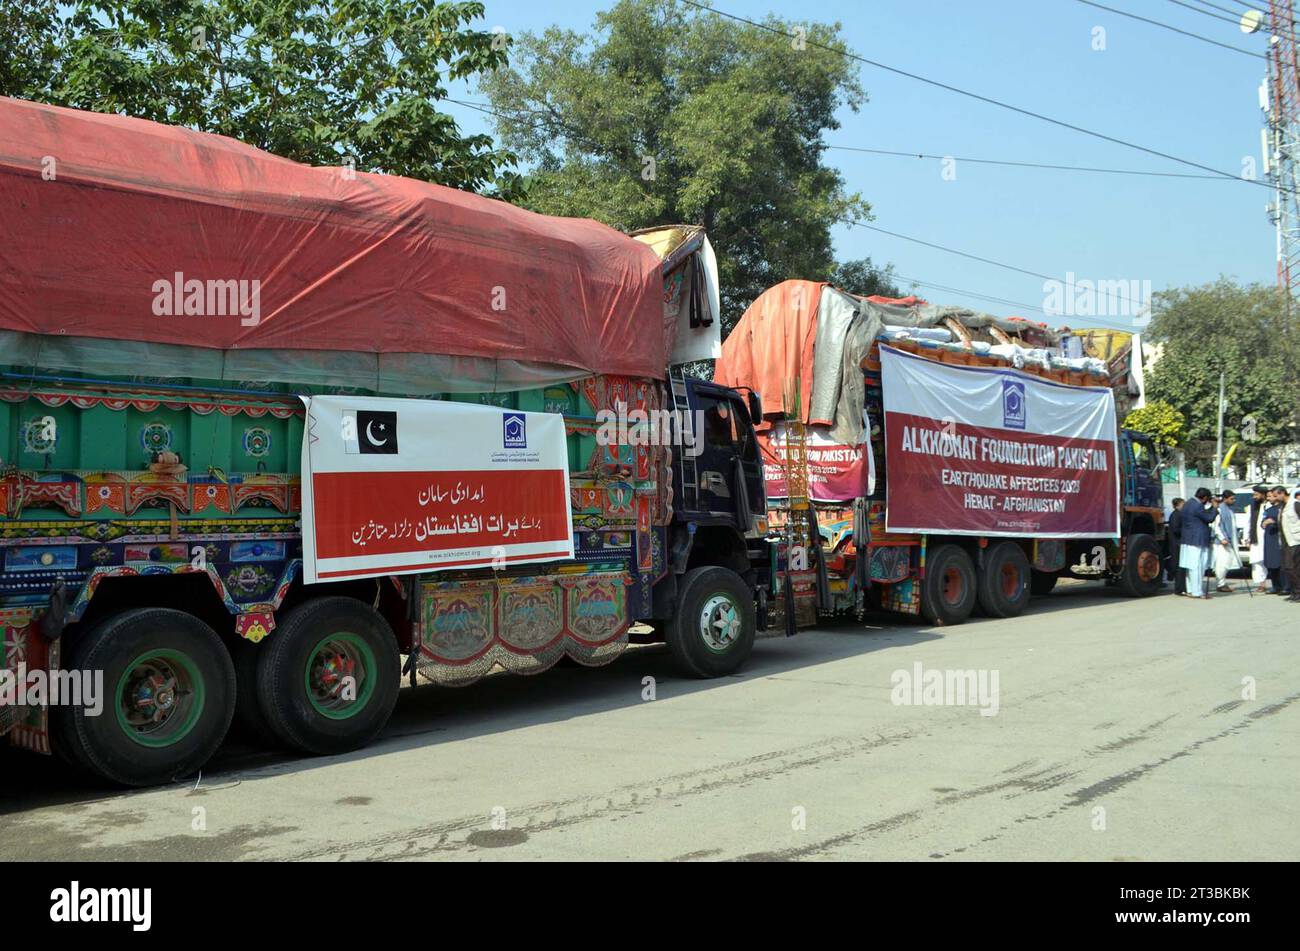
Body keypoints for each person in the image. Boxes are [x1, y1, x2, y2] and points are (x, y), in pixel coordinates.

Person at [1178, 488, 1218, 599]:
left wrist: (1210, 508)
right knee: (1198, 566)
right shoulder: (1198, 506)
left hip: (1188, 538)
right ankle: (1198, 592)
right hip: (1197, 539)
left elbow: (1201, 515)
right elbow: (1209, 518)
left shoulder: (1188, 503)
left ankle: (1190, 589)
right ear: (1204, 498)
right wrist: (1214, 507)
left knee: (1190, 566)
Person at [1212, 490, 1238, 592]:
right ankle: (1220, 583)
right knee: (1221, 563)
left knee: (1227, 562)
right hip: (1222, 541)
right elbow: (1216, 525)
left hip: (1230, 540)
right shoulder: (1220, 509)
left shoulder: (1229, 509)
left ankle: (1222, 582)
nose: (1233, 501)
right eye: (1232, 499)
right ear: (1225, 498)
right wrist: (1222, 538)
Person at [1247, 484, 1270, 588]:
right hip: (1255, 538)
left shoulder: (1269, 505)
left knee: (1266, 560)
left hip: (1267, 537)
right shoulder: (1252, 506)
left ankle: (1271, 583)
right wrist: (1247, 537)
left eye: (1256, 494)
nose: (1254, 497)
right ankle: (1261, 584)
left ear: (1263, 495)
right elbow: (1248, 522)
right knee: (1256, 561)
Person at [1262, 487, 1284, 594]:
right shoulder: (1268, 510)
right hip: (1269, 538)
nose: (1270, 498)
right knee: (1270, 563)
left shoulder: (1282, 508)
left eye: (1272, 496)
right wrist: (1264, 523)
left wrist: (1274, 521)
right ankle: (1275, 586)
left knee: (1280, 563)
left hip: (1278, 538)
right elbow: (1263, 522)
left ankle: (1284, 586)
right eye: (1268, 496)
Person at [1282, 486, 1300, 603]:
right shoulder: (1283, 507)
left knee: (1294, 568)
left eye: (1274, 495)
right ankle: (1294, 592)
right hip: (1287, 541)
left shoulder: (1295, 504)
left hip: (1296, 540)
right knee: (1288, 568)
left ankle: (1298, 593)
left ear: (1282, 493)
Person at [1167, 497, 1186, 595]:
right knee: (1179, 567)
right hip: (1176, 544)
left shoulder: (1179, 514)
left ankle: (1182, 587)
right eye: (1183, 504)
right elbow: (1176, 529)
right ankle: (1179, 588)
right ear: (1178, 505)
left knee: (1181, 567)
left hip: (1177, 543)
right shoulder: (1176, 515)